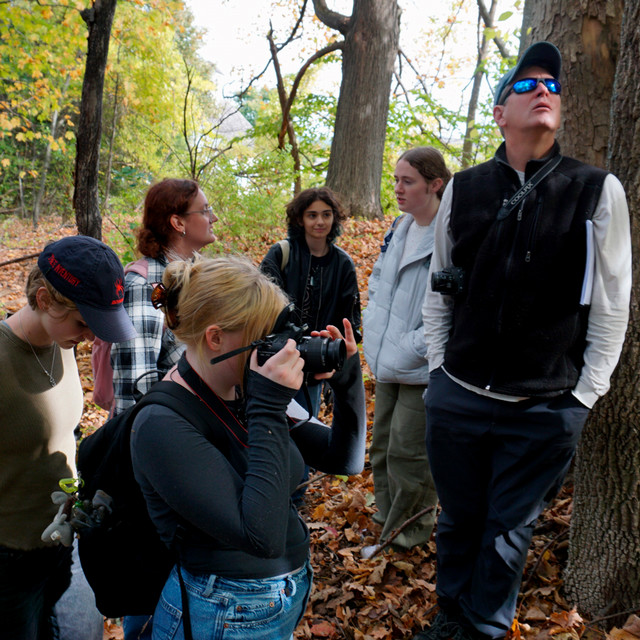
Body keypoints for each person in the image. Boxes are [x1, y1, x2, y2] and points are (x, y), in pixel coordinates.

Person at [417, 42, 631, 640]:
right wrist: (438, 372)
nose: (545, 92)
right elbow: (440, 289)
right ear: (499, 112)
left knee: (508, 528)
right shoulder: (464, 188)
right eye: (528, 84)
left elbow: (614, 301)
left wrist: (583, 397)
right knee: (459, 519)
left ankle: (484, 627)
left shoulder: (596, 190)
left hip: (544, 405)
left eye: (554, 87)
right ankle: (450, 614)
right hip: (457, 394)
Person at [130, 255, 365, 640]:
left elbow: (346, 459)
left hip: (277, 603)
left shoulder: (246, 387)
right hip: (221, 611)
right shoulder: (162, 424)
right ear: (216, 337)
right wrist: (268, 407)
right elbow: (263, 537)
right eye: (266, 336)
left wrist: (348, 381)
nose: (282, 346)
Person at [0, 235, 136, 640]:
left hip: (59, 545)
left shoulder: (61, 343)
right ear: (44, 299)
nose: (93, 337)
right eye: (84, 322)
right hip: (8, 559)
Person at [362, 147, 451, 554]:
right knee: (382, 446)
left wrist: (412, 346)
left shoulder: (451, 234)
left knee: (408, 454)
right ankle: (386, 519)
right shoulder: (400, 226)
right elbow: (379, 283)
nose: (397, 188)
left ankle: (407, 537)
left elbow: (451, 308)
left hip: (420, 364)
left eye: (407, 181)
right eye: (395, 179)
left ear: (435, 185)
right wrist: (373, 329)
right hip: (387, 359)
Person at [110, 177, 218, 416]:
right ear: (178, 222)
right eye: (206, 210)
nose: (214, 218)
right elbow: (134, 390)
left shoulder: (199, 279)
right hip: (161, 434)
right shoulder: (143, 287)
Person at [260, 186, 362, 417]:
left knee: (305, 429)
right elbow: (260, 306)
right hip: (276, 360)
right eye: (312, 215)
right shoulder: (281, 253)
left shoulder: (342, 264)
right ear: (300, 219)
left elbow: (349, 320)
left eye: (326, 214)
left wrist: (336, 363)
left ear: (335, 218)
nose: (320, 221)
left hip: (315, 366)